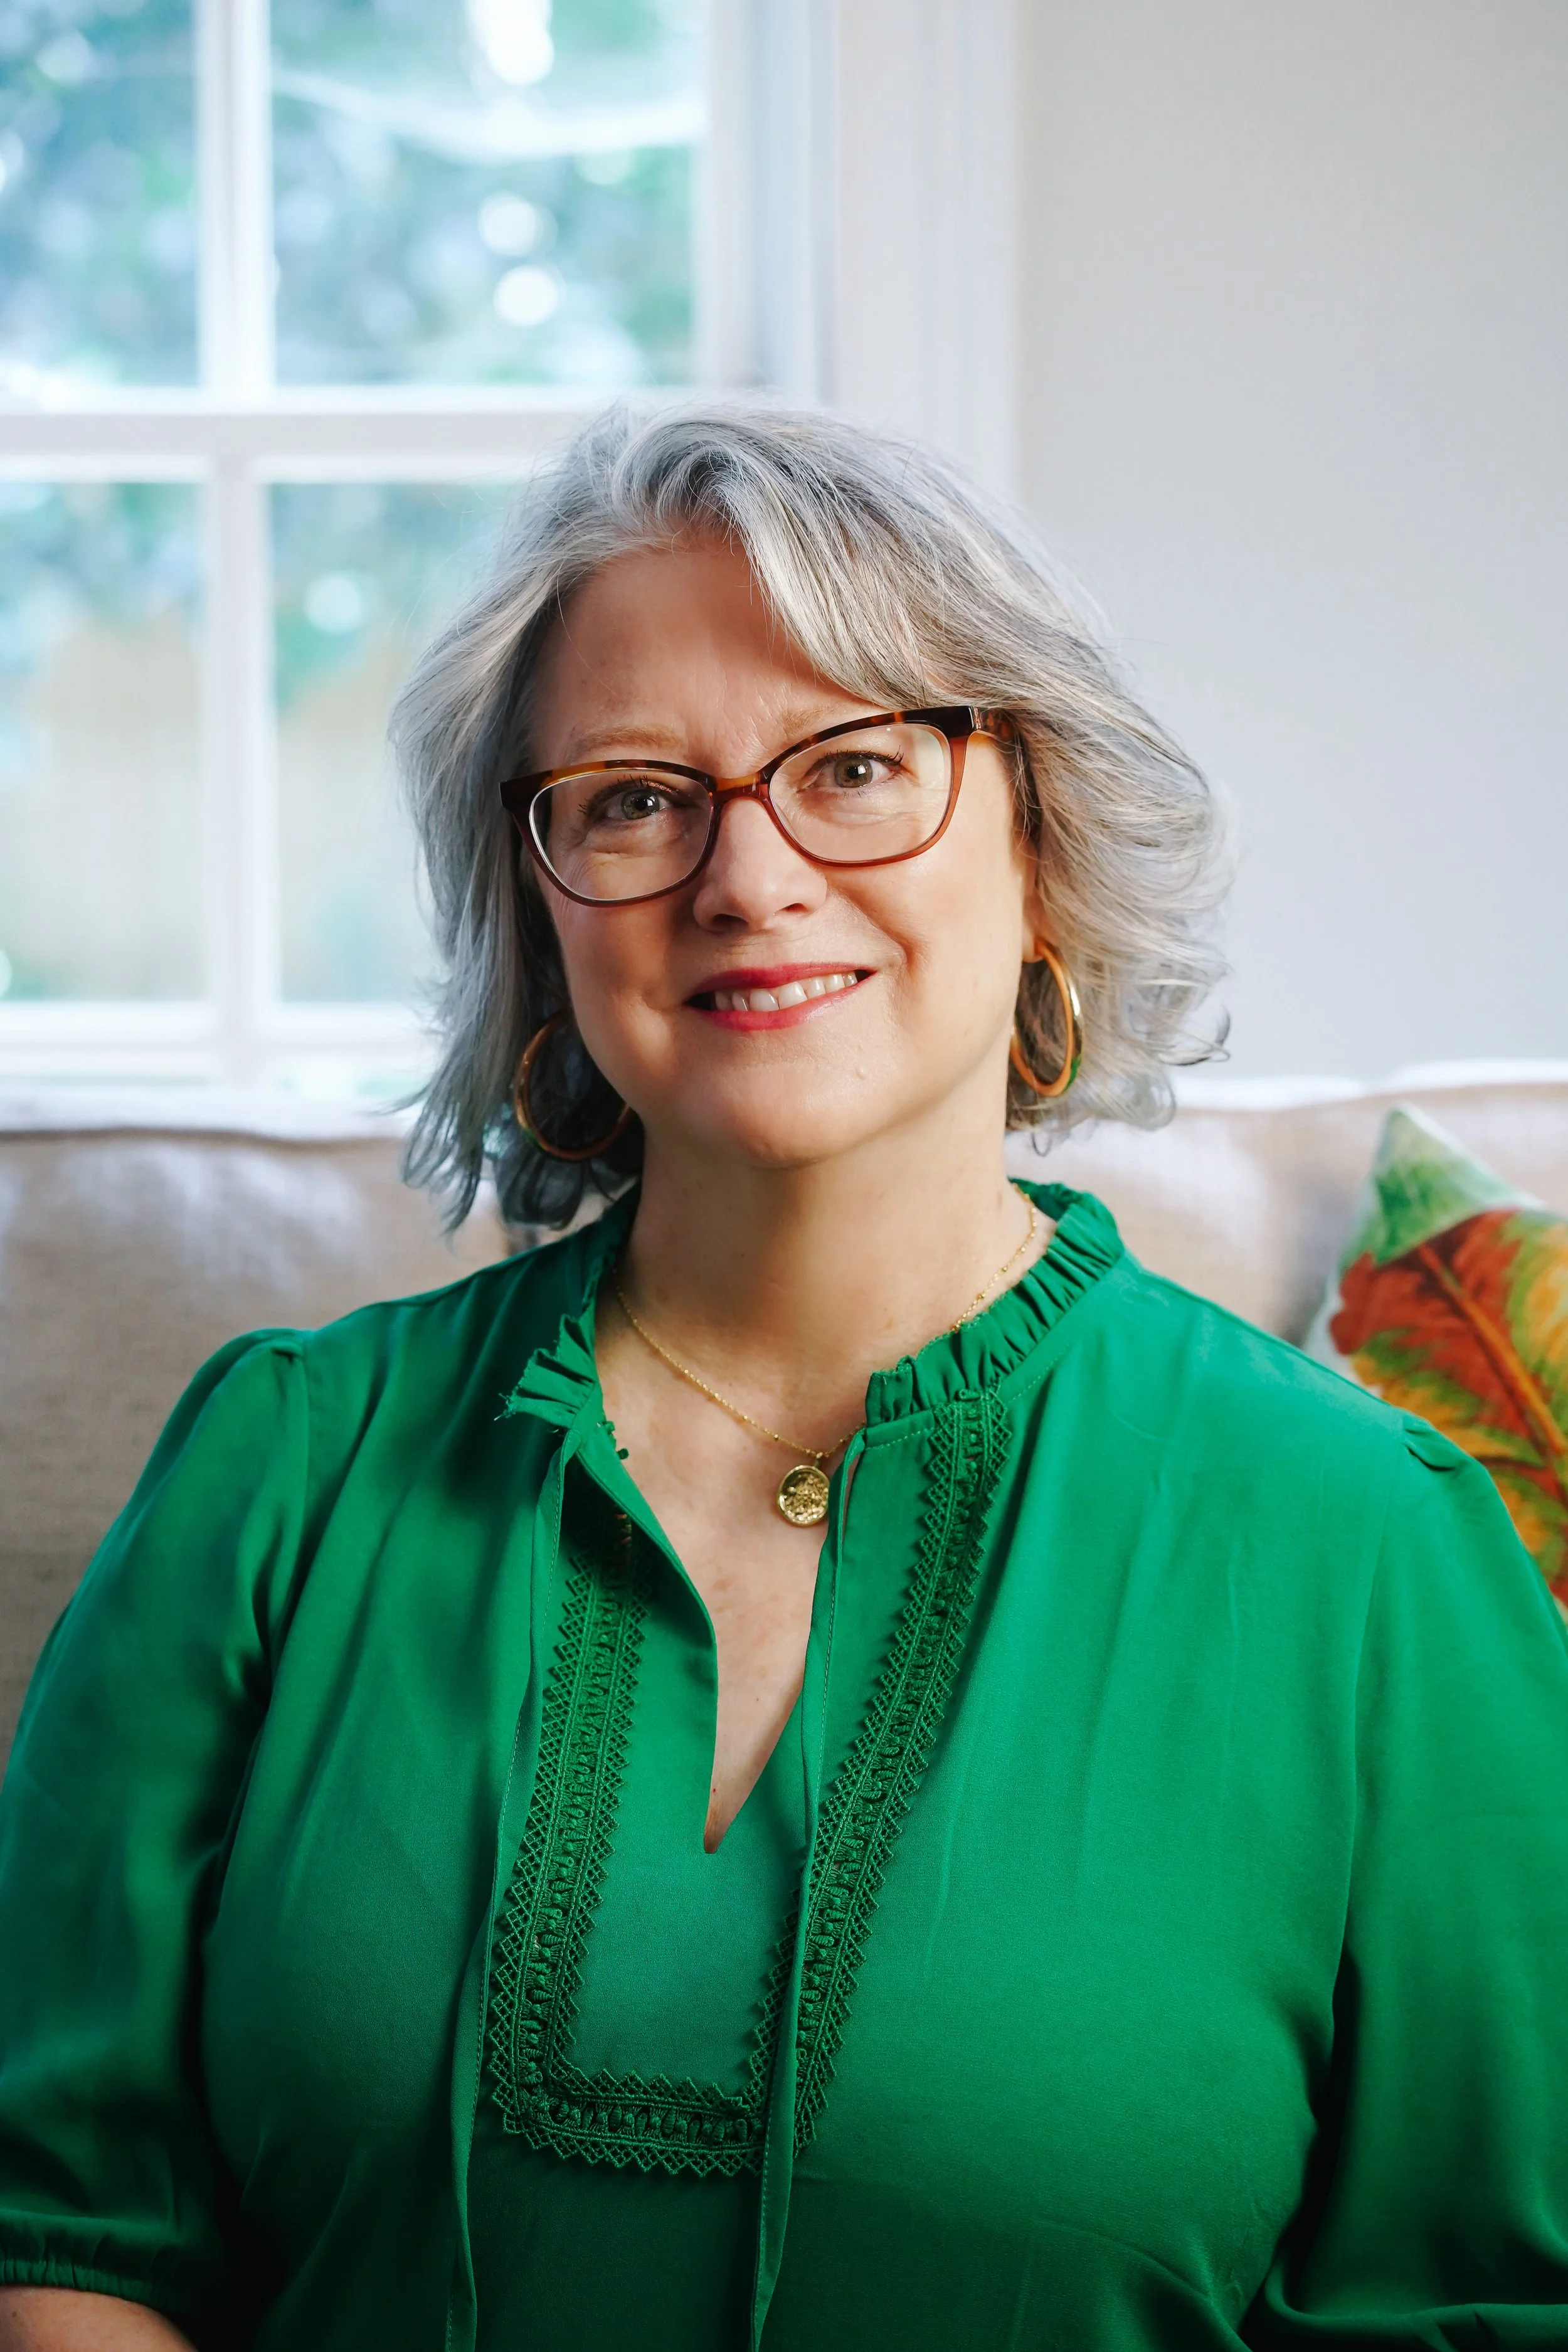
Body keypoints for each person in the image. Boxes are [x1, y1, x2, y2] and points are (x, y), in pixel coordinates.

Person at [3, 403, 1567, 2352]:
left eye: (853, 765)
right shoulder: (280, 1468)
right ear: (537, 900)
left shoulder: (1377, 1557)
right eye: (633, 797)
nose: (746, 877)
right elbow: (60, 2226)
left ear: (1041, 841)